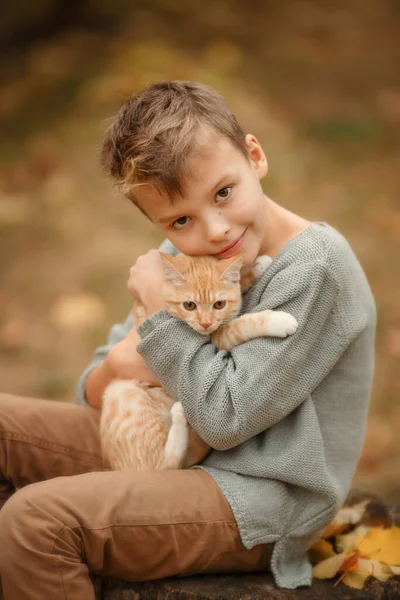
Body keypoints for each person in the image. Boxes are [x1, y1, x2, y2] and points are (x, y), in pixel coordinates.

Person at [0, 81, 376, 599]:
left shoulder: (315, 267)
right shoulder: (191, 255)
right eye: (181, 220)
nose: (215, 230)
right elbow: (92, 388)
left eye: (223, 192)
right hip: (165, 448)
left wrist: (155, 328)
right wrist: (130, 355)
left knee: (35, 522)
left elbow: (225, 418)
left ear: (255, 156)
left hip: (257, 496)